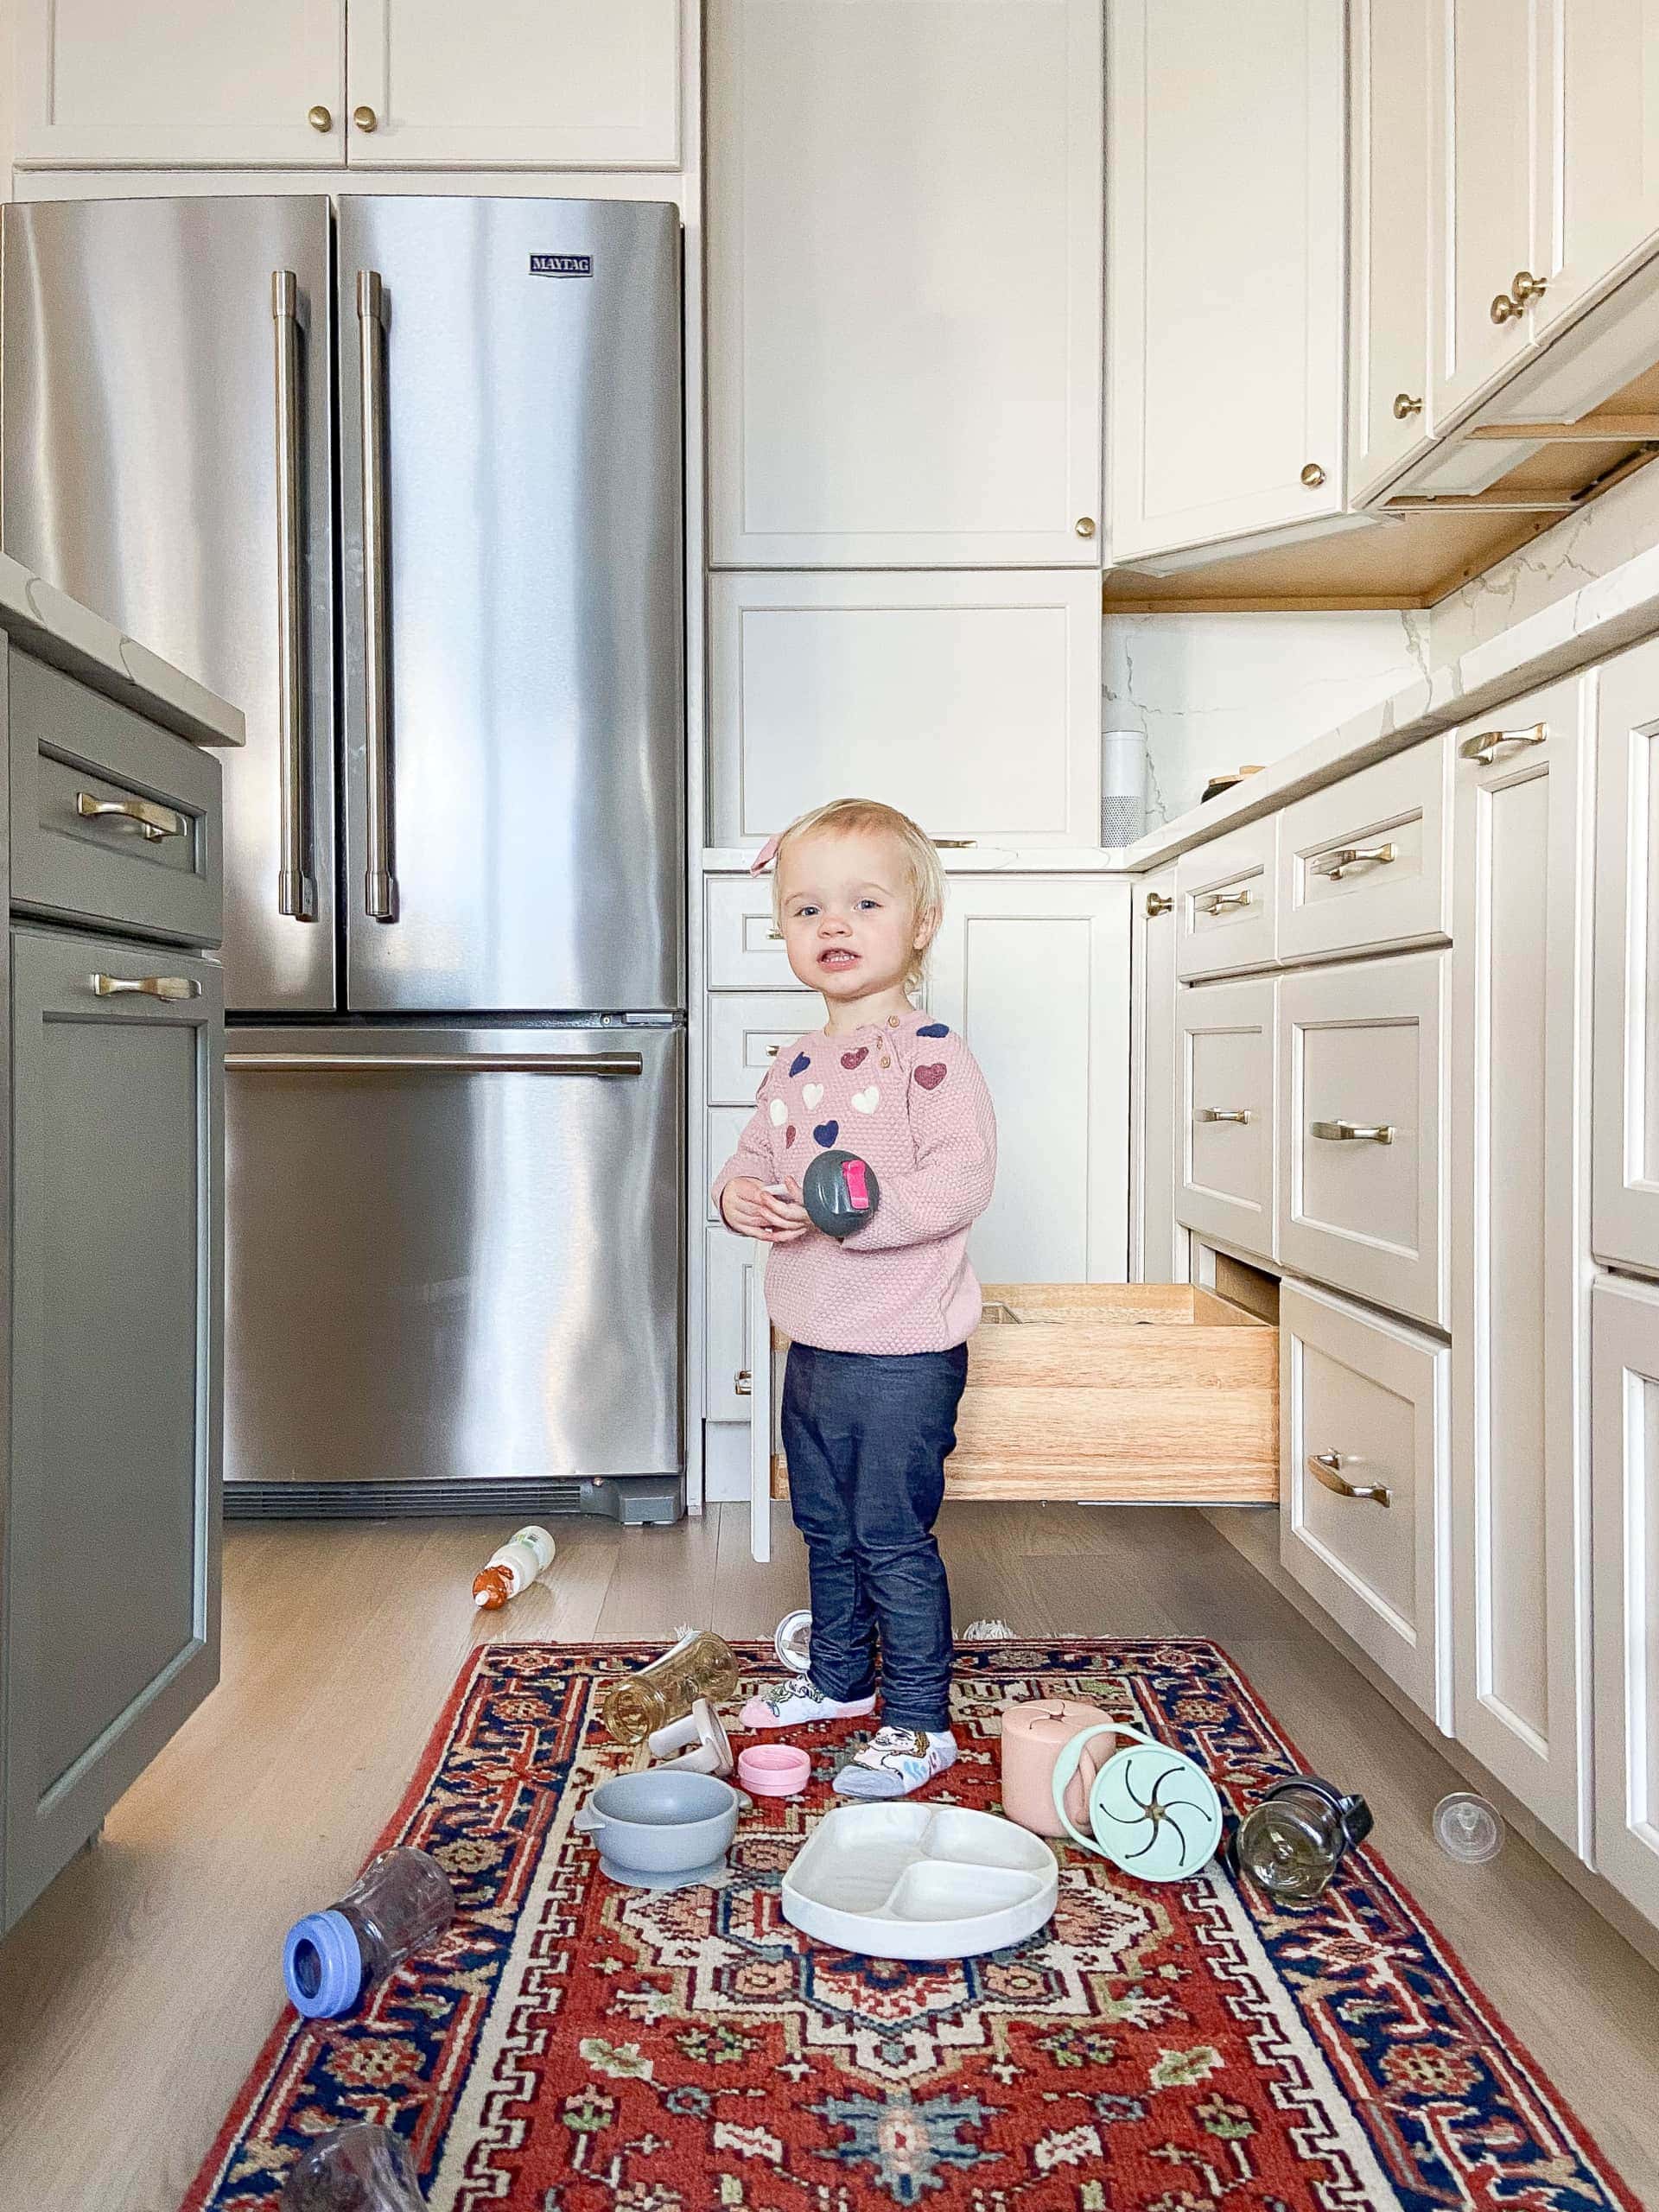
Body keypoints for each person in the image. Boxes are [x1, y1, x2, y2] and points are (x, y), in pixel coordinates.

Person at [712, 798, 997, 1798]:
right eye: (805, 908)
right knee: (824, 1526)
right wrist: (738, 1194)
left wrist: (857, 1213)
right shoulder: (792, 1065)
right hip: (816, 1345)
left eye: (864, 902)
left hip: (904, 1353)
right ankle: (839, 1679)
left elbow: (962, 1179)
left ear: (920, 923)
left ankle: (920, 1718)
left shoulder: (931, 1056)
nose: (832, 925)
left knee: (889, 1534)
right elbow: (751, 1159)